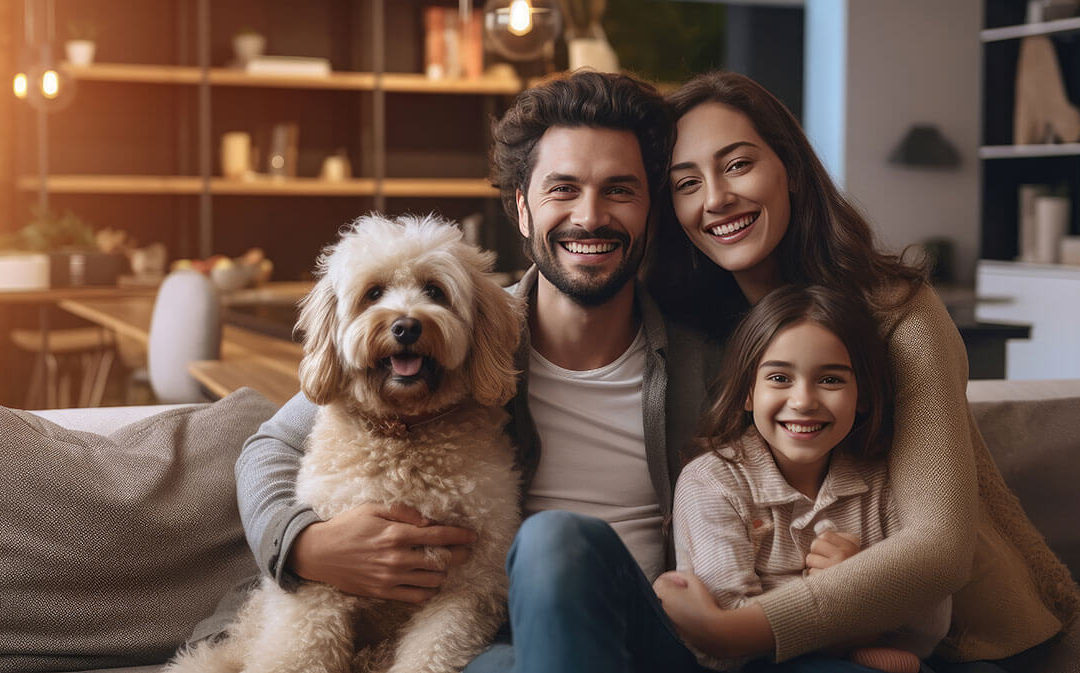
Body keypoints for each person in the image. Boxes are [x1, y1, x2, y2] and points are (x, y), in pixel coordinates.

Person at [228, 70, 724, 671]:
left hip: (649, 637)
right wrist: (303, 543)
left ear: (650, 209)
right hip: (506, 644)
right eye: (562, 189)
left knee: (554, 539)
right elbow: (270, 446)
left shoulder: (706, 363)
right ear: (522, 209)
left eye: (619, 190)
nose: (590, 217)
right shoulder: (470, 335)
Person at [648, 70, 1080, 670]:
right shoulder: (690, 335)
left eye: (738, 164)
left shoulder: (898, 312)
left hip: (968, 640)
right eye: (686, 183)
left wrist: (740, 630)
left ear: (791, 171)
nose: (715, 198)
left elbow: (939, 549)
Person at [670, 284, 950, 673]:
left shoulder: (886, 481)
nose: (803, 401)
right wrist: (853, 595)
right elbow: (725, 637)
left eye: (831, 380)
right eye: (780, 379)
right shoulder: (712, 481)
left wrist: (858, 572)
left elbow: (929, 625)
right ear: (748, 392)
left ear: (863, 395)